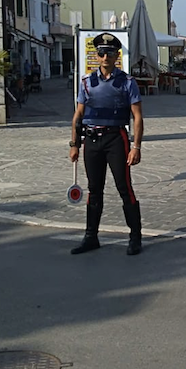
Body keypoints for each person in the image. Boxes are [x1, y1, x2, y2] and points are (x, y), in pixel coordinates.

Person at [69, 32, 145, 256]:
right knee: (94, 189)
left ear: (116, 56)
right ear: (96, 55)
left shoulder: (127, 83)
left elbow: (137, 117)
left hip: (116, 139)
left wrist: (136, 146)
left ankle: (135, 236)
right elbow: (78, 115)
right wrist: (74, 143)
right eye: (101, 53)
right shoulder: (86, 82)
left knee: (124, 188)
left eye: (110, 53)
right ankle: (91, 236)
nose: (105, 58)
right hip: (91, 140)